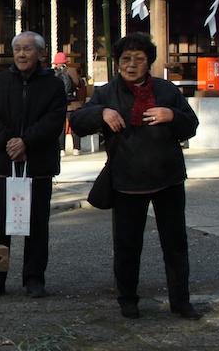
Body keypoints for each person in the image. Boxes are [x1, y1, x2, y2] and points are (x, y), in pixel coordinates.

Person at [70, 32, 201, 320]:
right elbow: (77, 122)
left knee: (175, 244)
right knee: (127, 245)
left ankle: (181, 300)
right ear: (117, 62)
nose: (131, 65)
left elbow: (191, 125)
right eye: (126, 59)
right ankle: (127, 299)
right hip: (127, 181)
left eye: (139, 59)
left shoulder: (167, 91)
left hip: (168, 179)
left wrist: (172, 115)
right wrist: (101, 113)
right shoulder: (107, 93)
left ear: (149, 63)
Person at [0, 31, 67, 298]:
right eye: (17, 49)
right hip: (5, 166)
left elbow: (53, 121)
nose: (21, 54)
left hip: (37, 165)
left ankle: (34, 279)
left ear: (40, 53)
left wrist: (26, 142)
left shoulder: (53, 85)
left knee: (37, 224)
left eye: (27, 49)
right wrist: (10, 143)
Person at [52, 52, 86, 155]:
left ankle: (61, 149)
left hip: (59, 104)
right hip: (73, 104)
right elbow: (79, 83)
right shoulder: (72, 70)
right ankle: (76, 148)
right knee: (75, 126)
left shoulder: (53, 73)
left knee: (60, 128)